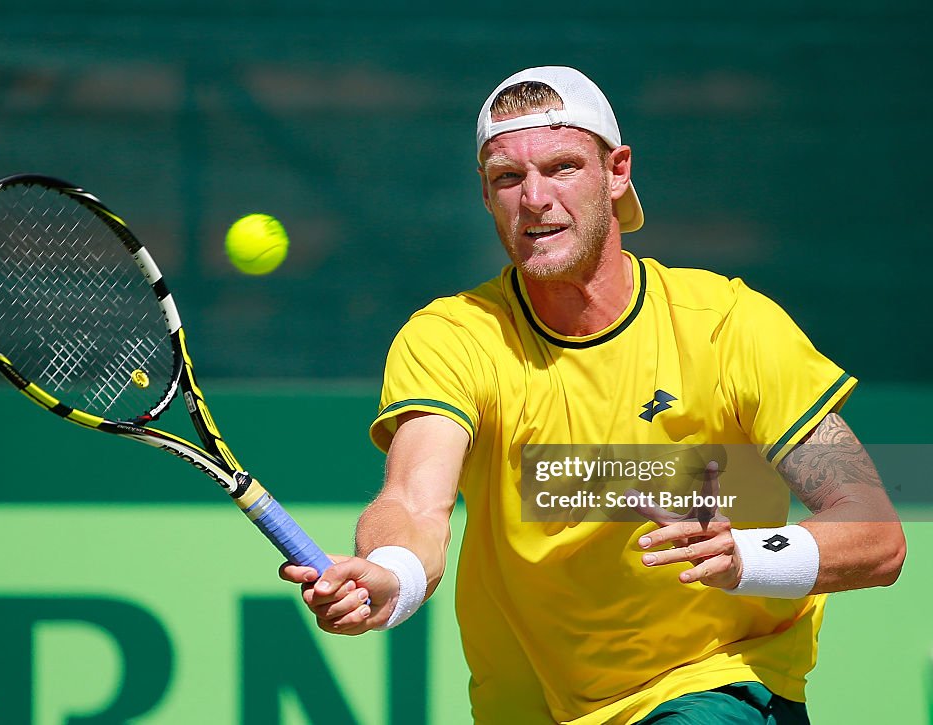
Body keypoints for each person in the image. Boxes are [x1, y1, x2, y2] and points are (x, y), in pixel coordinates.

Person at [279, 66, 906, 723]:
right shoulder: (451, 336)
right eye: (508, 178)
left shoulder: (730, 326)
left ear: (617, 172)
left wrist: (746, 555)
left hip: (717, 683)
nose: (535, 198)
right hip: (532, 704)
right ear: (487, 196)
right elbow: (413, 499)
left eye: (562, 167)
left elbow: (875, 530)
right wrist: (396, 575)